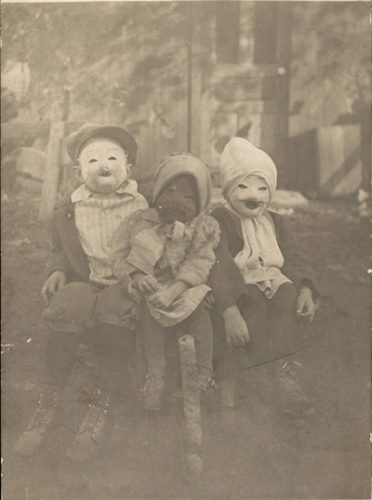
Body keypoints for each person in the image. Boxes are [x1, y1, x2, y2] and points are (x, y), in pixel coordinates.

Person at [14, 124, 148, 460]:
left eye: (112, 158)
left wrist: (139, 276)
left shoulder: (142, 207)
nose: (104, 165)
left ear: (128, 168)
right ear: (78, 171)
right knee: (66, 309)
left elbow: (151, 248)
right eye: (93, 160)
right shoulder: (69, 208)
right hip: (85, 279)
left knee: (115, 320)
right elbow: (61, 248)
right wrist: (57, 270)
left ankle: (100, 404)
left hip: (123, 282)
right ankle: (50, 400)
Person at [210, 137, 319, 416]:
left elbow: (293, 255)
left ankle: (283, 372)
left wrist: (305, 288)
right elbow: (219, 262)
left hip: (273, 277)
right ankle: (261, 371)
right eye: (242, 187)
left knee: (287, 299)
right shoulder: (221, 220)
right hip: (241, 282)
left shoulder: (276, 221)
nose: (253, 196)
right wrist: (229, 308)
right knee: (254, 305)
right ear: (228, 191)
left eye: (262, 188)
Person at [111, 153, 220, 411]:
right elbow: (119, 254)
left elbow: (201, 261)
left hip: (184, 286)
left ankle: (203, 374)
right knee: (149, 313)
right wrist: (137, 276)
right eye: (169, 190)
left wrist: (176, 289)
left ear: (201, 201)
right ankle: (155, 373)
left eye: (188, 197)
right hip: (151, 285)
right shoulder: (140, 221)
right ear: (158, 190)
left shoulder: (203, 227)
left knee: (200, 310)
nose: (176, 201)